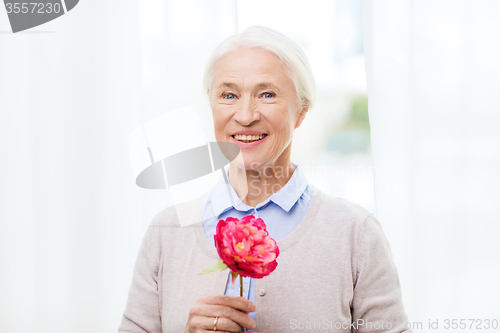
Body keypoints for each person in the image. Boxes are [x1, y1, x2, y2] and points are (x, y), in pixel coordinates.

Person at [118, 26, 412, 333]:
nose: (245, 116)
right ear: (211, 105)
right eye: (229, 95)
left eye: (267, 94)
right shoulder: (166, 233)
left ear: (302, 110)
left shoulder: (356, 233)